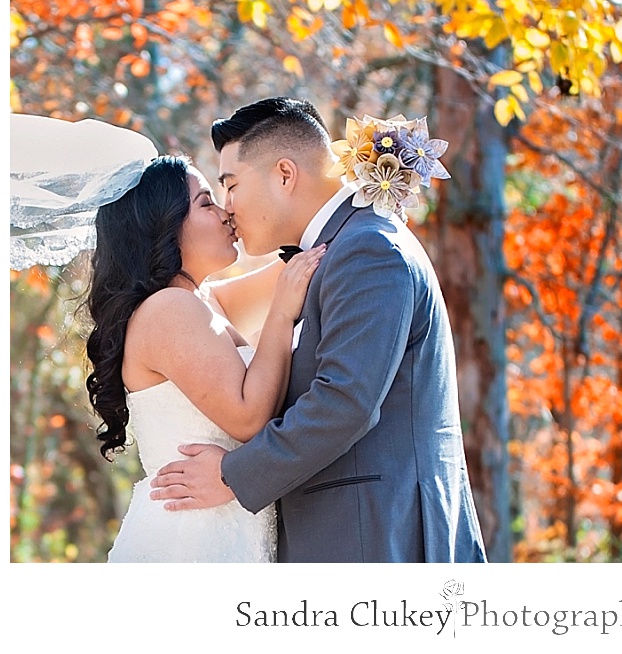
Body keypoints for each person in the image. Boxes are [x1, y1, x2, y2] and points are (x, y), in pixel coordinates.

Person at [149, 97, 488, 562]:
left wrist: (231, 475)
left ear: (284, 174)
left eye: (231, 185)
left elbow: (345, 401)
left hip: (380, 536)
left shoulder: (367, 249)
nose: (228, 207)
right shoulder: (335, 250)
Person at [84, 154, 325, 562]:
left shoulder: (201, 301)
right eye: (206, 203)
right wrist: (283, 313)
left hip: (219, 526)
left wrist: (368, 173)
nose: (226, 212)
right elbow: (249, 417)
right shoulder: (168, 310)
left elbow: (305, 262)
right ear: (165, 226)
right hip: (190, 538)